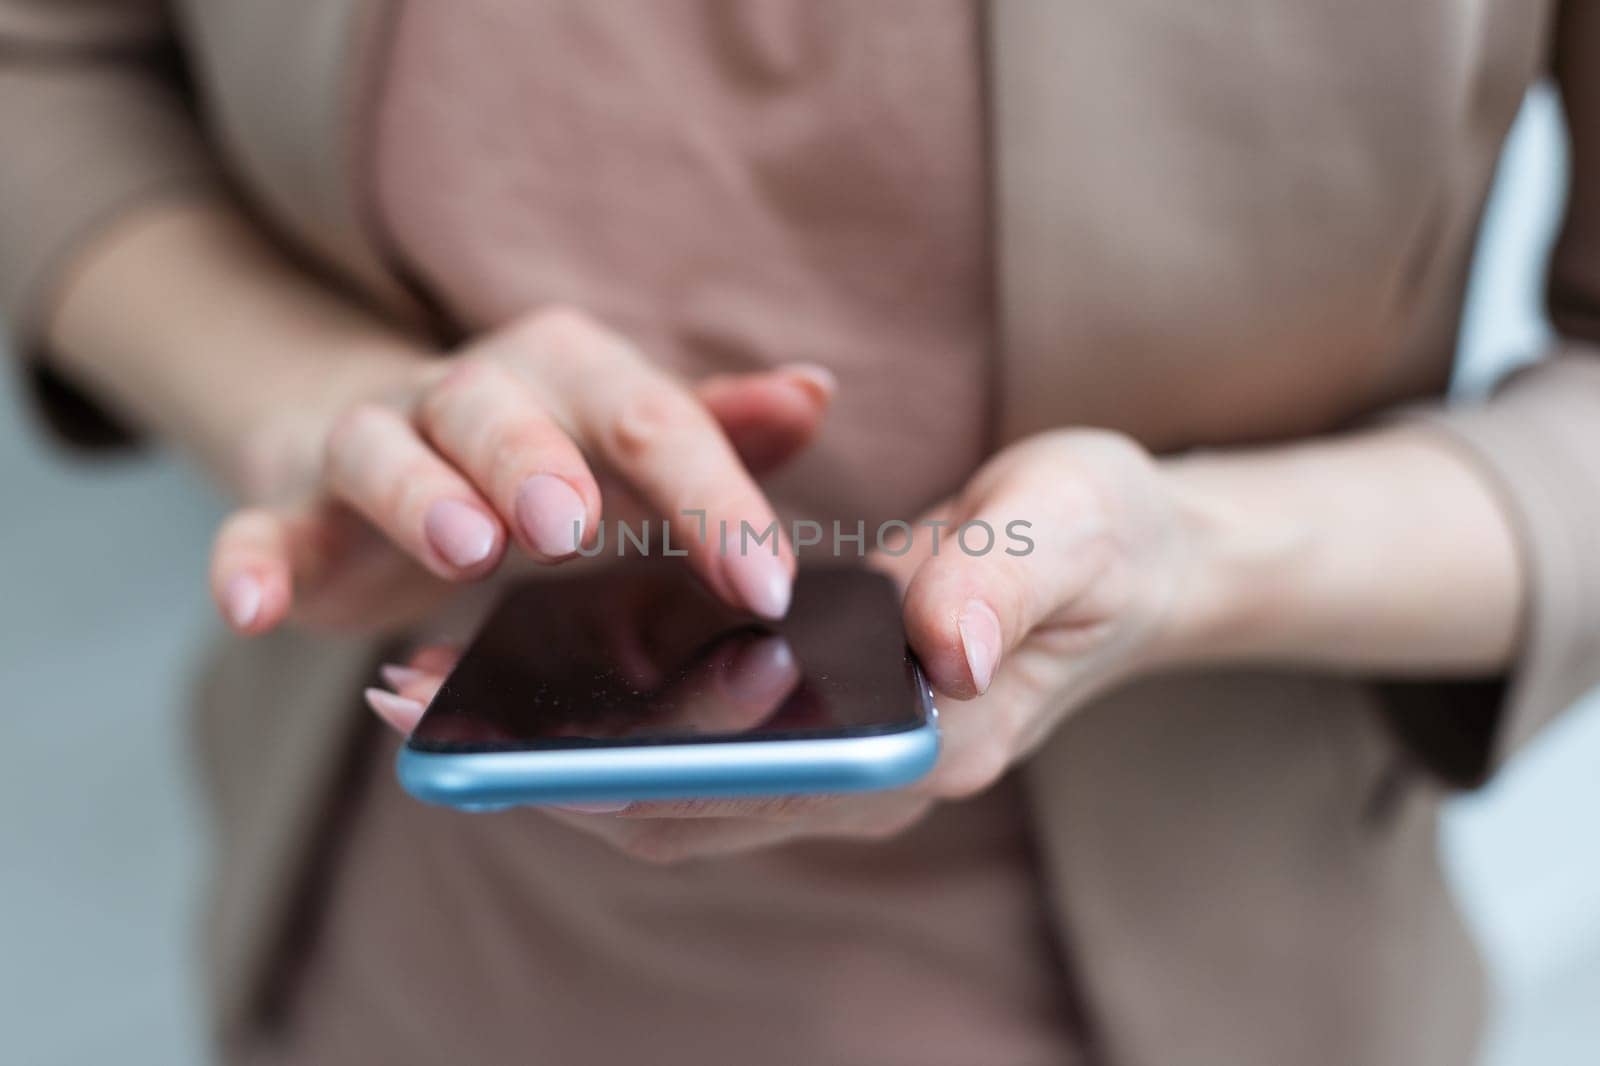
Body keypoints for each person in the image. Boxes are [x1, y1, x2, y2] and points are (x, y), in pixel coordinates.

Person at [3, 2, 1597, 1063]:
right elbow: (49, 61)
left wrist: (1197, 556)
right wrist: (319, 404)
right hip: (400, 967)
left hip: (1204, 988)